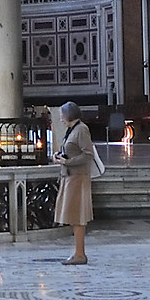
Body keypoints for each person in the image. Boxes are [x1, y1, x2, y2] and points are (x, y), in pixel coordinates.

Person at [55, 99, 97, 267]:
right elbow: (70, 150)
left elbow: (88, 155)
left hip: (78, 177)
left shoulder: (81, 130)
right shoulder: (71, 130)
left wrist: (68, 162)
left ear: (68, 115)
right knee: (72, 215)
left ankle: (80, 254)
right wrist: (59, 156)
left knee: (78, 215)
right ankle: (78, 252)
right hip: (69, 176)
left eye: (61, 115)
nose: (60, 119)